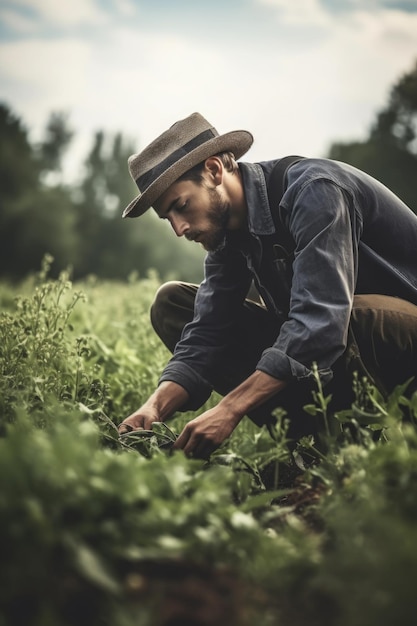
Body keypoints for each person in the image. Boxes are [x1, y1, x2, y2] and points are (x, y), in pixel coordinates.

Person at [117, 112, 417, 458]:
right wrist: (154, 406)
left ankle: (359, 443)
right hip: (341, 344)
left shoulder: (314, 191)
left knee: (347, 316)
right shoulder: (226, 234)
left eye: (181, 206)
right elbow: (207, 333)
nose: (179, 228)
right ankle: (318, 443)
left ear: (214, 170)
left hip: (398, 336)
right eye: (168, 217)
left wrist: (230, 409)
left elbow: (320, 323)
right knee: (173, 303)